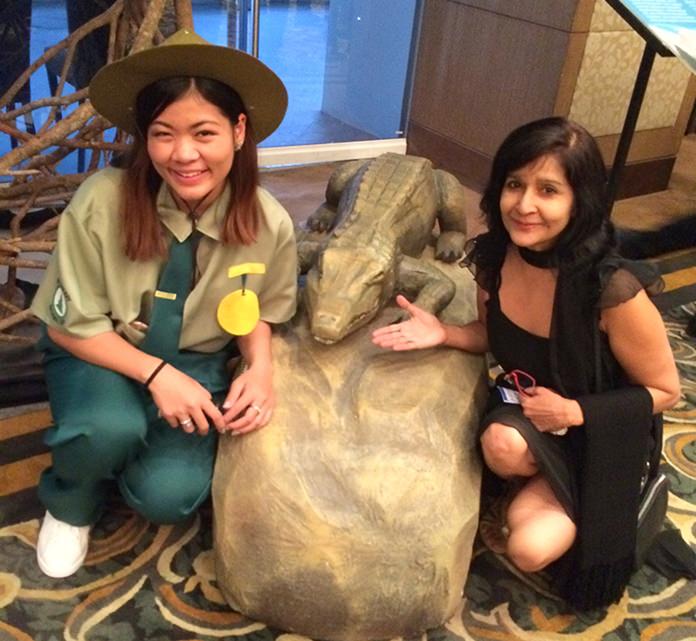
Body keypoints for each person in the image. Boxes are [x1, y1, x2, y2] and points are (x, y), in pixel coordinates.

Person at [372, 117, 680, 609]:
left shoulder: (613, 289)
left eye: (548, 190)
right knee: (501, 445)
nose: (524, 204)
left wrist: (573, 413)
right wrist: (444, 333)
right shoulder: (495, 258)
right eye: (515, 184)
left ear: (580, 201)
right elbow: (492, 337)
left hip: (602, 436)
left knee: (528, 549)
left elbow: (667, 391)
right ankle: (537, 486)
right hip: (531, 417)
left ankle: (601, 500)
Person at [30, 29, 298, 579]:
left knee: (168, 498)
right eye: (162, 134)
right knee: (107, 427)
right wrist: (155, 376)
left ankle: (122, 452)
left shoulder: (269, 221)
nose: (183, 154)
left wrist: (261, 366)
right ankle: (72, 495)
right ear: (143, 138)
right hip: (101, 349)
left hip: (196, 363)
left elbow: (259, 310)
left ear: (239, 130)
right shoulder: (102, 200)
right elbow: (68, 327)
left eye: (204, 132)